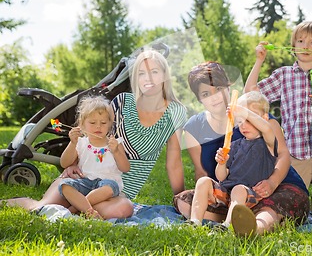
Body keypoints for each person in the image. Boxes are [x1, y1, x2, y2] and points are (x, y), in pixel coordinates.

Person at [4, 49, 187, 219]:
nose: (148, 78)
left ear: (165, 75)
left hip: (113, 192)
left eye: (154, 72)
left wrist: (179, 197)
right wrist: (73, 163)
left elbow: (174, 162)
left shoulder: (176, 112)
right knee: (40, 207)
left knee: (124, 209)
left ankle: (74, 209)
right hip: (84, 177)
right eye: (141, 73)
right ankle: (20, 204)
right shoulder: (122, 101)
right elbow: (93, 134)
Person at [174, 61, 309, 236]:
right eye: (206, 93)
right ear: (199, 98)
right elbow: (204, 173)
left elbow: (282, 154)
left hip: (274, 186)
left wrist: (272, 182)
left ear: (228, 88)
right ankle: (231, 219)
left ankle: (254, 226)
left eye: (219, 89)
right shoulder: (194, 127)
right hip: (232, 192)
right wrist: (218, 172)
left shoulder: (256, 115)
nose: (215, 97)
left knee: (275, 206)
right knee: (183, 201)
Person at [244, 20, 312, 215]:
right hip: (296, 152)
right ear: (293, 46)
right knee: (295, 201)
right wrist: (259, 61)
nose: (305, 46)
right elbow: (250, 92)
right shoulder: (284, 75)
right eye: (301, 41)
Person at [188, 91, 277, 232]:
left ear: (264, 118)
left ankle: (227, 226)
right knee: (203, 181)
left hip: (252, 194)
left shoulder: (268, 143)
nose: (243, 126)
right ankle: (194, 221)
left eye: (249, 120)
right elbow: (221, 177)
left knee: (238, 189)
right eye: (240, 121)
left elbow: (266, 128)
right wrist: (222, 163)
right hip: (228, 193)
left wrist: (243, 111)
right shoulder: (235, 144)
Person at [59, 95, 130, 219]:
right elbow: (64, 163)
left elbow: (125, 168)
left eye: (103, 123)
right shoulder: (81, 143)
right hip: (85, 182)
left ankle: (76, 208)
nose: (98, 126)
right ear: (82, 125)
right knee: (64, 186)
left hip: (107, 184)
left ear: (109, 125)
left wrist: (116, 152)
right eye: (92, 122)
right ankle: (89, 211)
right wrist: (72, 143)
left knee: (108, 188)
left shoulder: (115, 143)